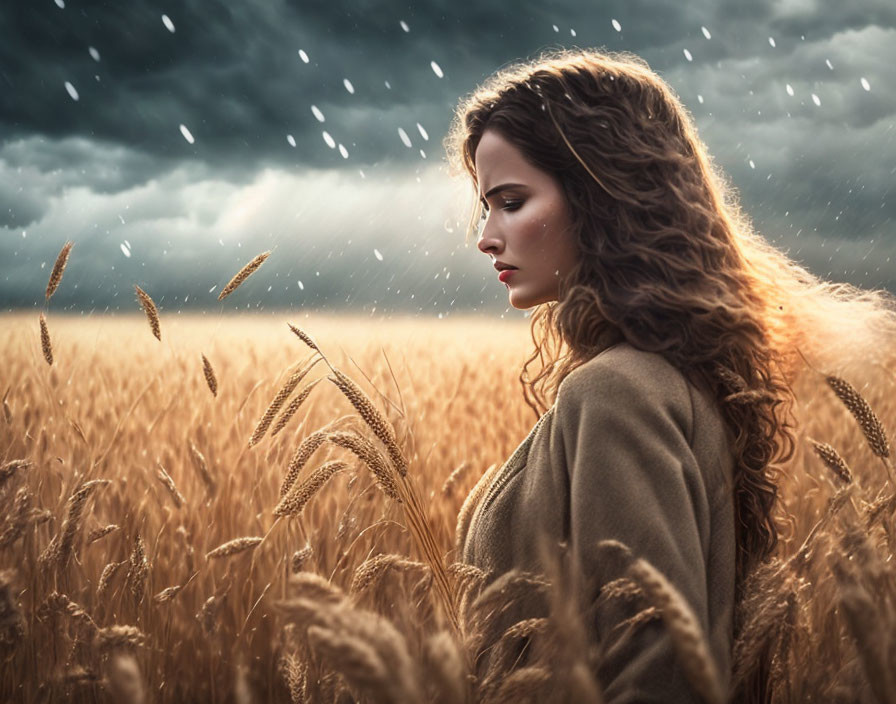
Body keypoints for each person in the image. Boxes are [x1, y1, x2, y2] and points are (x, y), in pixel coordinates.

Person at [442, 48, 896, 703]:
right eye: (487, 206)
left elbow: (659, 676)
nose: (486, 236)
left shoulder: (618, 392)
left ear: (601, 198)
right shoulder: (664, 378)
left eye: (510, 201)